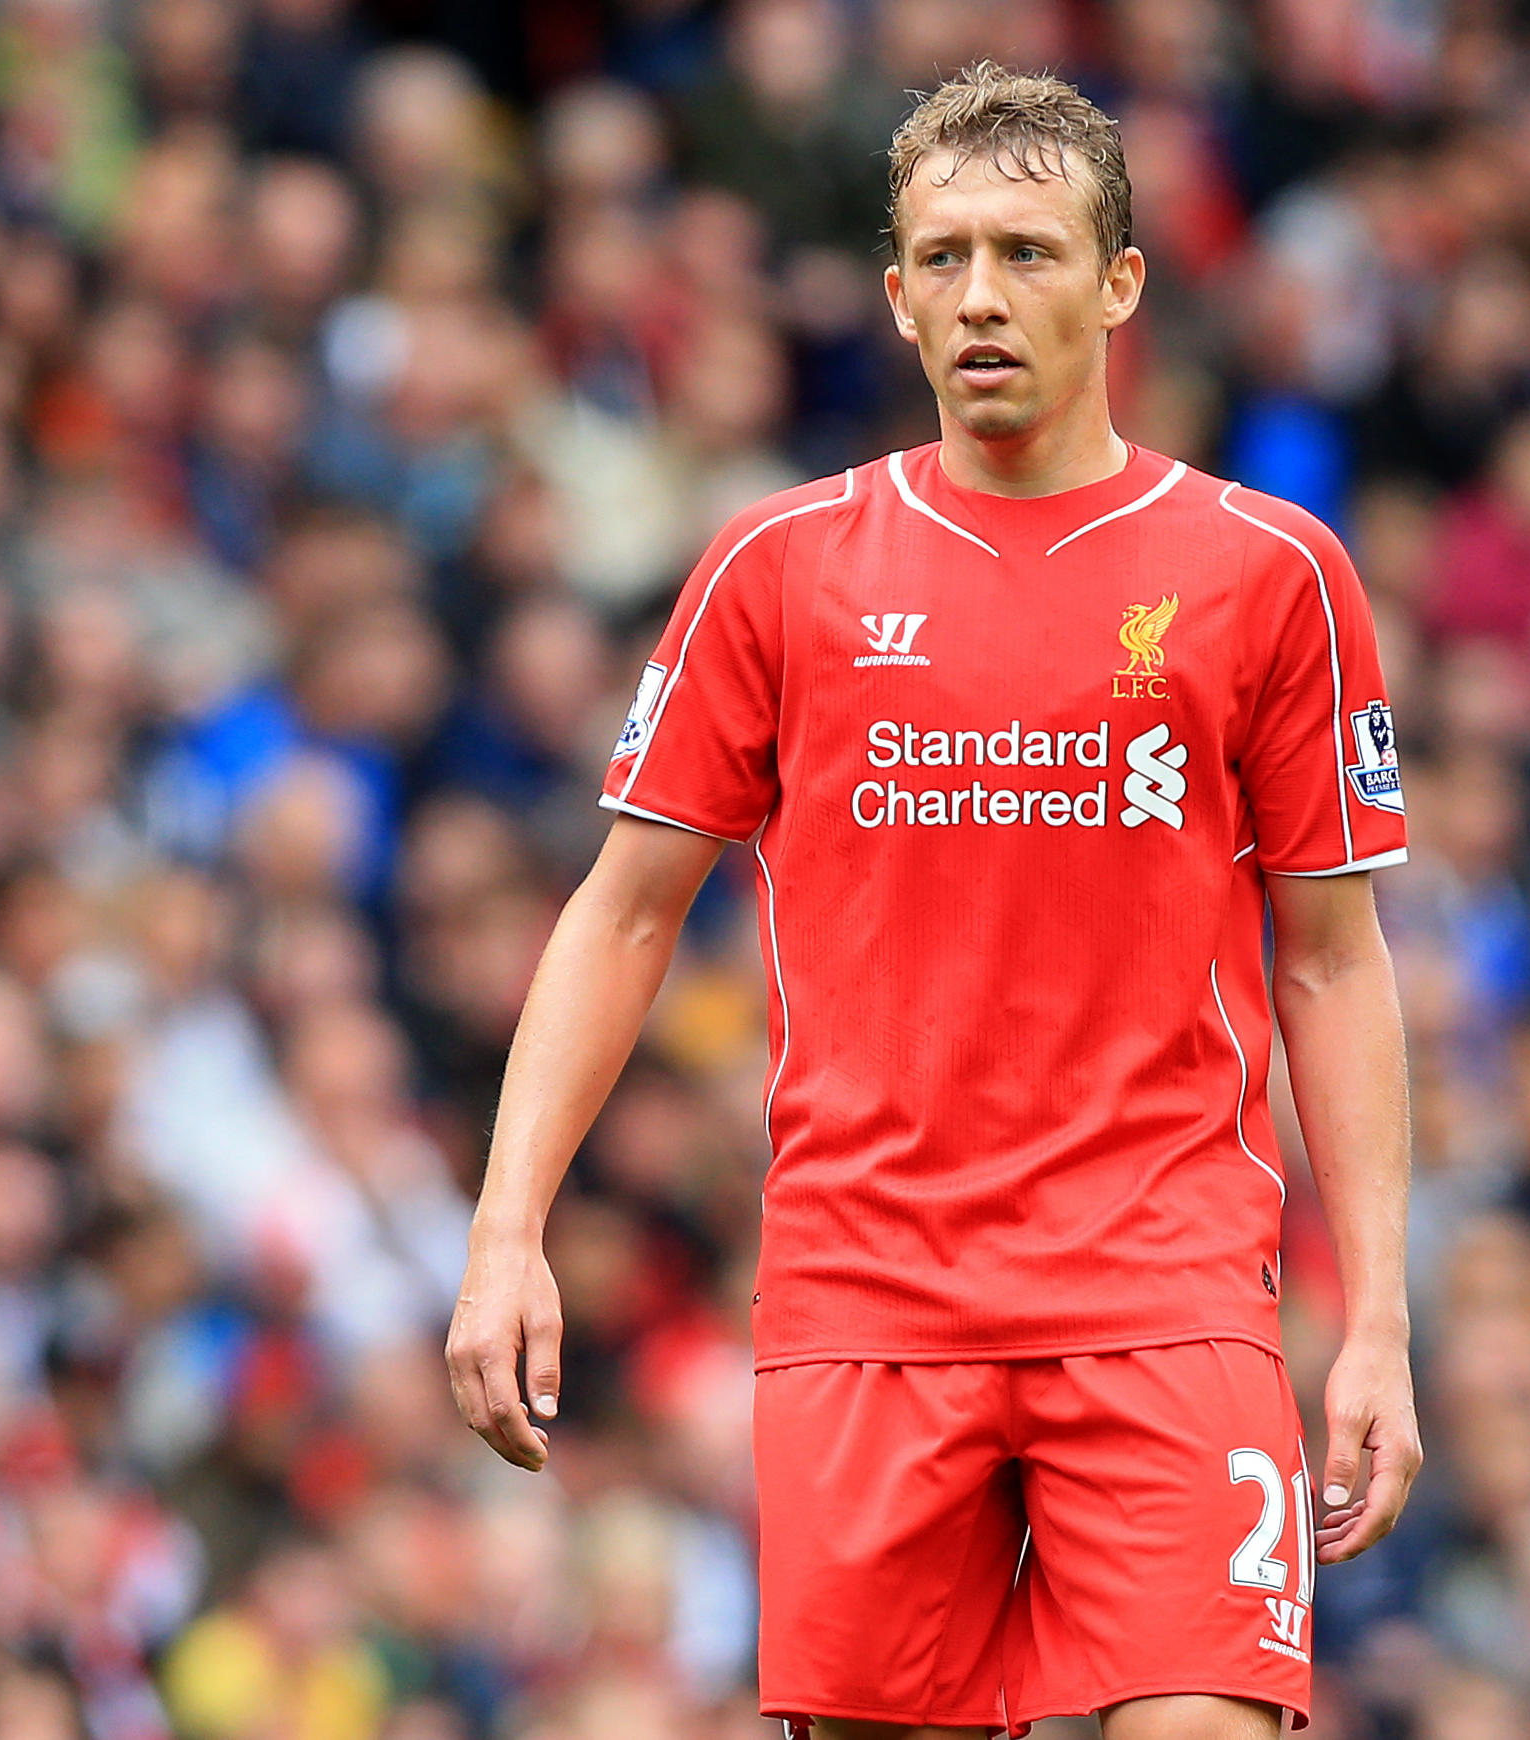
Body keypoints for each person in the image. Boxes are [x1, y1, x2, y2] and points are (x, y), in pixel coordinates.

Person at [445, 63, 1420, 1740]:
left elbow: (1331, 966)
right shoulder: (779, 568)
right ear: (894, 296)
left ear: (1118, 283)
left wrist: (1380, 1325)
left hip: (1165, 1295)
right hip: (867, 1299)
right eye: (944, 256)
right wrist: (503, 1229)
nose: (983, 295)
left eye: (1030, 253)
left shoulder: (1269, 575)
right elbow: (618, 915)